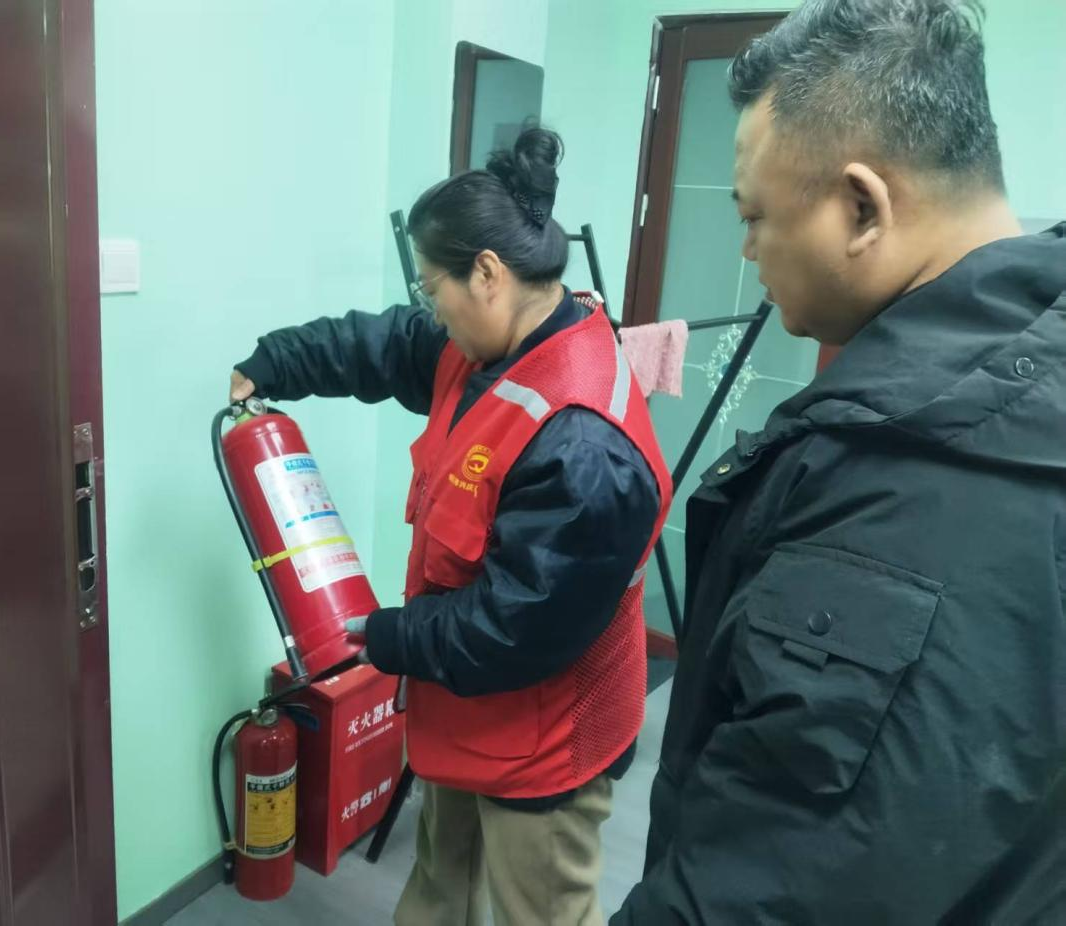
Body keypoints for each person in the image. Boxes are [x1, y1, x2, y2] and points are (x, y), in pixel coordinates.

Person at [613, 1, 1066, 922]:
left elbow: (771, 889)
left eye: (755, 215)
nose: (748, 247)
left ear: (861, 208)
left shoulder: (902, 495)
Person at [231, 127, 672, 926]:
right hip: (466, 710)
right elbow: (384, 345)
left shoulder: (582, 444)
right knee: (438, 893)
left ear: (488, 274)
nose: (428, 307)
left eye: (432, 287)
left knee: (539, 912)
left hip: (544, 742)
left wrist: (387, 637)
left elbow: (516, 627)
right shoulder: (487, 346)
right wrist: (275, 362)